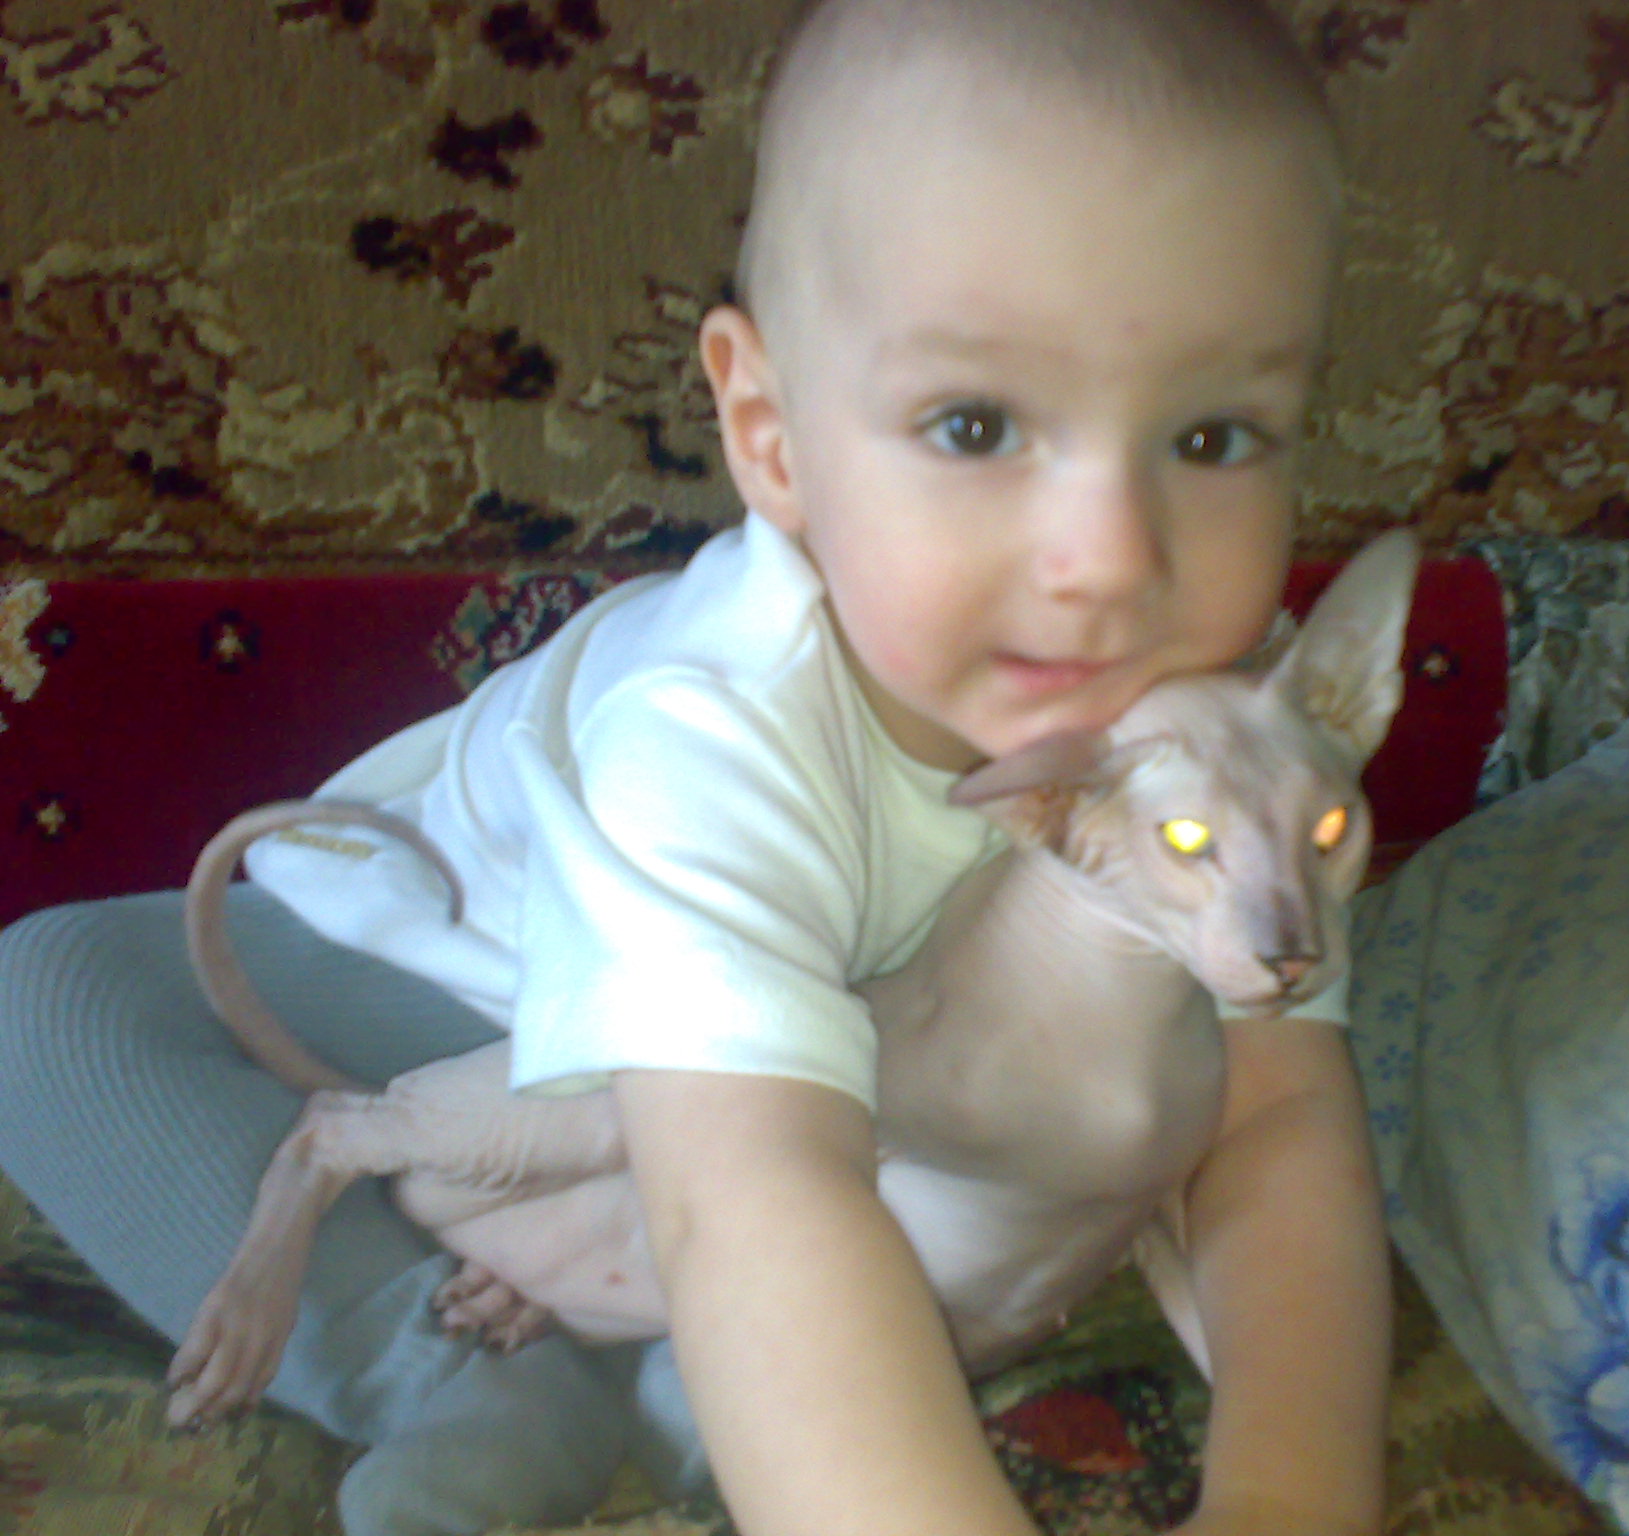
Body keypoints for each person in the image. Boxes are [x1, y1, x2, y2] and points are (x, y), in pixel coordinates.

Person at [0, 1, 1392, 1533]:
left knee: (832, 1247)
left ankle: (630, 1380)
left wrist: (1289, 1496)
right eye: (976, 423)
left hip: (807, 1091)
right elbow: (748, 1197)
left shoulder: (1233, 728)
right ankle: (442, 1364)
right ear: (774, 436)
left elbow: (1276, 1120)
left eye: (1213, 439)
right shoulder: (714, 725)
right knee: (48, 993)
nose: (1112, 558)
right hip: (472, 968)